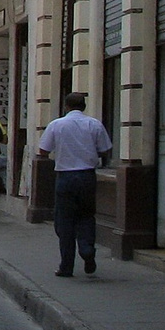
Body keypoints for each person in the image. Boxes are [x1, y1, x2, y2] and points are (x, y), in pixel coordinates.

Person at [37, 91, 113, 277]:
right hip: (87, 176)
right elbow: (106, 150)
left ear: (66, 106)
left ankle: (67, 265)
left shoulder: (57, 125)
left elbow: (43, 150)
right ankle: (87, 249)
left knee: (65, 221)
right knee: (86, 216)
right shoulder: (94, 124)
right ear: (84, 106)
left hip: (65, 177)